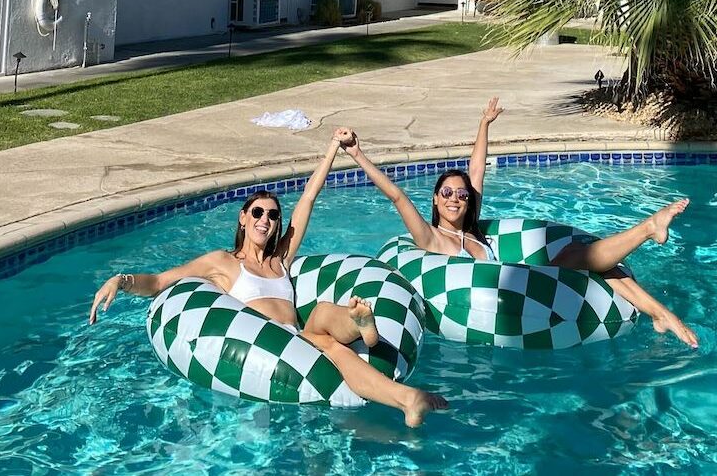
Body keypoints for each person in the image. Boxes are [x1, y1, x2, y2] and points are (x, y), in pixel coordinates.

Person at [88, 128, 448, 427]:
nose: (266, 220)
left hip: (300, 337)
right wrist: (121, 281)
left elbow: (308, 199)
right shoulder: (223, 263)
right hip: (268, 344)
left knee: (322, 319)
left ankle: (384, 362)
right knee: (329, 338)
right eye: (258, 212)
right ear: (243, 218)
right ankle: (367, 340)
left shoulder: (281, 260)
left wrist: (333, 149)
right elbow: (162, 281)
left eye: (273, 215)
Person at [342, 100, 700, 348]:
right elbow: (398, 197)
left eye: (462, 195)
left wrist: (483, 124)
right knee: (582, 259)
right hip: (509, 299)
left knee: (591, 262)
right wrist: (357, 153)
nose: (455, 198)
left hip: (530, 283)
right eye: (447, 192)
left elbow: (477, 170)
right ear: (435, 199)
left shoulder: (473, 231)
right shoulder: (430, 238)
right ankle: (647, 230)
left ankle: (660, 312)